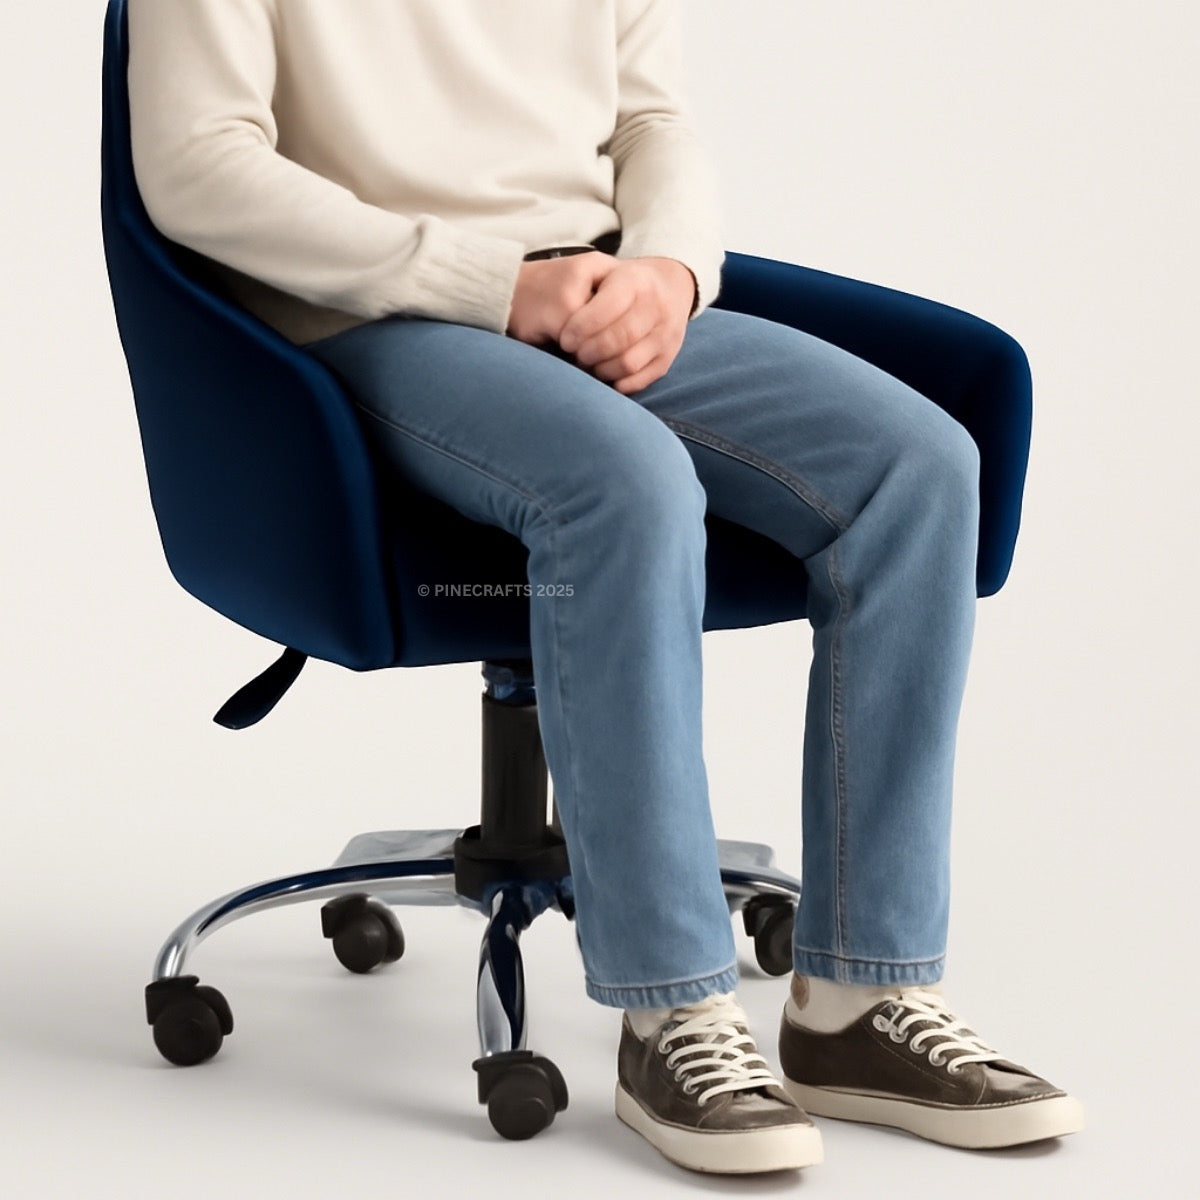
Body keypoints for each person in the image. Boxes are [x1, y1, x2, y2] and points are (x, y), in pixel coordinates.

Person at [126, 0, 1083, 1175]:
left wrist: (670, 272)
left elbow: (650, 118)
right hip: (370, 319)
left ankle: (858, 1007)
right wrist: (489, 284)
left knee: (919, 468)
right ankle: (671, 1011)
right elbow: (197, 171)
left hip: (596, 288)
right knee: (624, 483)